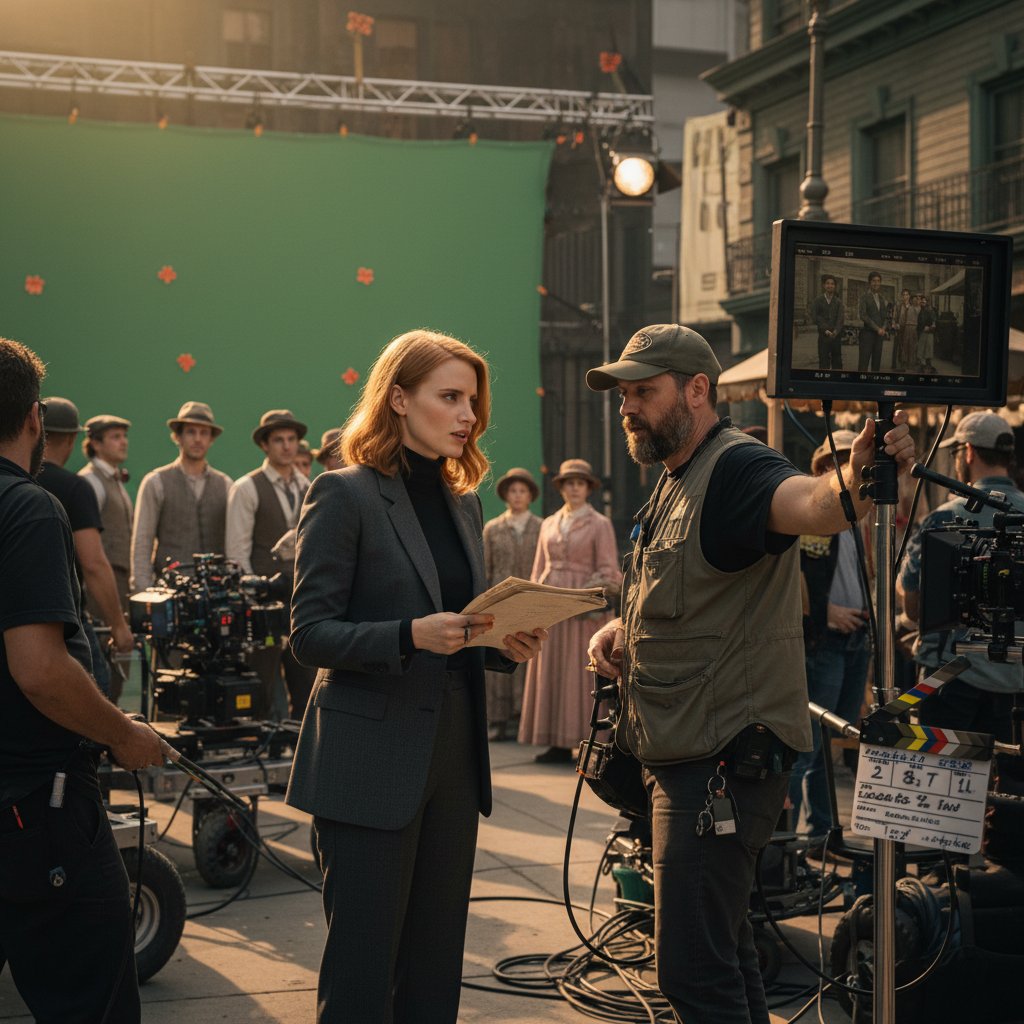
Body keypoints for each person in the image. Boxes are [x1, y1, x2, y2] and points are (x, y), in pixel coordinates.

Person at [586, 324, 914, 1023]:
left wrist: (856, 478)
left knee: (693, 976)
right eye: (623, 395)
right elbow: (696, 594)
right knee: (727, 958)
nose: (627, 407)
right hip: (683, 755)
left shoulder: (736, 467)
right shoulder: (676, 481)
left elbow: (813, 504)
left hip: (720, 766)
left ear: (697, 390)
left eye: (643, 391)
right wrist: (623, 631)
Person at [284, 329, 545, 1024]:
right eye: (450, 397)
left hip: (455, 761)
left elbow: (456, 629)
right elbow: (309, 635)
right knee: (362, 978)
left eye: (474, 401)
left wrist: (498, 645)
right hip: (369, 765)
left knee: (434, 975)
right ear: (399, 398)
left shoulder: (465, 503)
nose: (468, 415)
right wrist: (407, 635)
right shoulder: (343, 493)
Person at [0, 338, 164, 1024]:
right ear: (35, 418)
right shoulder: (29, 507)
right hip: (38, 807)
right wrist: (124, 733)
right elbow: (40, 670)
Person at [898, 411, 1024, 745]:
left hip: (949, 678)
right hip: (1016, 682)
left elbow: (913, 609)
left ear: (967, 452)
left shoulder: (945, 518)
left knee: (942, 788)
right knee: (1008, 789)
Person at [788, 431, 871, 851]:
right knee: (810, 744)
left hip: (856, 639)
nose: (845, 471)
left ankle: (822, 828)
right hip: (824, 640)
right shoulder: (809, 516)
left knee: (830, 741)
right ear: (819, 469)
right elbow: (794, 577)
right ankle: (790, 835)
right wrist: (826, 614)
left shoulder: (861, 514)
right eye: (834, 462)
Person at [518, 458, 620, 763]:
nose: (574, 488)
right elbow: (539, 567)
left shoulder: (599, 524)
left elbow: (608, 570)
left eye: (580, 483)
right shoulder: (548, 523)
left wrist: (582, 597)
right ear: (561, 487)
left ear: (588, 488)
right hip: (551, 606)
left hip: (581, 610)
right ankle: (556, 742)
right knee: (551, 669)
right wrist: (534, 599)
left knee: (579, 672)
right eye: (569, 483)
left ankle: (586, 741)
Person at [37, 398, 134, 699]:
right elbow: (92, 561)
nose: (123, 442)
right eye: (114, 436)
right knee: (97, 691)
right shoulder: (81, 485)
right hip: (73, 609)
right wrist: (118, 625)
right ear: (74, 439)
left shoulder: (18, 481)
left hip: (22, 611)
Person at [226, 409, 313, 718]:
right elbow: (237, 554)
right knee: (258, 688)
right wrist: (253, 605)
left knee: (307, 689)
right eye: (279, 440)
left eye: (292, 439)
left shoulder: (308, 487)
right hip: (262, 606)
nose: (287, 446)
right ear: (265, 445)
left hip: (301, 603)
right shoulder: (247, 487)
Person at [131, 401, 233, 593]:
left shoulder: (226, 484)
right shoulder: (156, 482)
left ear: (211, 439)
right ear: (177, 436)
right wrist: (143, 592)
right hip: (169, 591)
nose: (197, 439)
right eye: (191, 432)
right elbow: (142, 542)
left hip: (216, 592)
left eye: (204, 433)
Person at [482, 467, 542, 740]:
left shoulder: (541, 527)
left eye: (523, 491)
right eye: (513, 491)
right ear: (506, 495)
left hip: (529, 599)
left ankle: (522, 716)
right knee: (498, 651)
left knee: (525, 652)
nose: (517, 496)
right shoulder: (493, 528)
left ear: (530, 496)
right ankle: (497, 718)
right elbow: (486, 565)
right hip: (500, 599)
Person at [79, 414, 133, 616]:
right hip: (99, 585)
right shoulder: (90, 481)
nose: (123, 442)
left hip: (120, 582)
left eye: (124, 436)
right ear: (95, 443)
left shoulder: (115, 479)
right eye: (115, 437)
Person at [811, 275, 844, 370]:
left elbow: (840, 318)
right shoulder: (818, 300)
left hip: (836, 337)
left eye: (832, 284)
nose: (830, 286)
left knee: (837, 363)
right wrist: (825, 330)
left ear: (835, 286)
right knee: (823, 362)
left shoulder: (838, 302)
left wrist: (836, 331)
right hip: (823, 337)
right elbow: (815, 317)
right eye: (828, 283)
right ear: (824, 285)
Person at [858, 271, 888, 372]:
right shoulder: (864, 297)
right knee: (863, 363)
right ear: (869, 283)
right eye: (874, 281)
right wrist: (877, 328)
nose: (876, 283)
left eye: (878, 281)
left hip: (879, 336)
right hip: (867, 334)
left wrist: (883, 328)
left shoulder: (882, 298)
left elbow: (885, 316)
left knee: (876, 364)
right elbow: (863, 315)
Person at [916, 294, 937, 373]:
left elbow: (934, 324)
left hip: (928, 334)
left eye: (924, 301)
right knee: (922, 351)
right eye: (921, 301)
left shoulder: (930, 311)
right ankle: (923, 368)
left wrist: (929, 328)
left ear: (927, 302)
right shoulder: (921, 310)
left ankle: (929, 369)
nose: (922, 302)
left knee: (927, 352)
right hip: (922, 333)